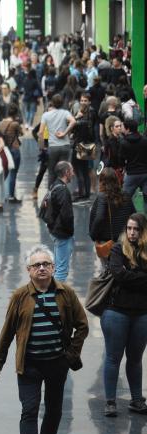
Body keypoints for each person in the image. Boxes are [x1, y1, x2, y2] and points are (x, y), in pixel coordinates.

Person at [0, 244, 88, 434]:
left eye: (46, 264)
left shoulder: (66, 294)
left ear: (53, 268)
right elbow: (7, 331)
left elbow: (82, 325)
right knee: (30, 408)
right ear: (28, 270)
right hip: (30, 363)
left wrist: (71, 356)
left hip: (57, 362)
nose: (42, 268)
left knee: (54, 408)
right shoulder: (20, 296)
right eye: (37, 265)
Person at [101, 214, 147, 416]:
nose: (131, 232)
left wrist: (130, 276)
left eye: (136, 229)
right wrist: (142, 277)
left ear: (143, 231)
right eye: (129, 228)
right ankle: (110, 401)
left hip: (142, 314)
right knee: (113, 357)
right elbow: (118, 274)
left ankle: (136, 400)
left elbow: (124, 276)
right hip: (116, 312)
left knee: (135, 359)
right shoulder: (118, 249)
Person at [89, 168, 136, 267]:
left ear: (101, 181)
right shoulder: (126, 195)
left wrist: (93, 235)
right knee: (124, 268)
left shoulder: (103, 197)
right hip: (124, 240)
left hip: (107, 242)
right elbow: (133, 215)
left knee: (108, 271)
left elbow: (99, 217)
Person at [39, 95, 76, 187]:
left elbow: (40, 132)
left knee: (51, 171)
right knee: (64, 171)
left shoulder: (46, 115)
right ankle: (62, 191)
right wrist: (64, 133)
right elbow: (73, 121)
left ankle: (51, 193)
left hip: (53, 146)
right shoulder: (65, 113)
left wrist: (42, 146)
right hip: (65, 146)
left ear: (52, 103)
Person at [119, 118, 147, 212]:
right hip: (145, 173)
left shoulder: (123, 142)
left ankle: (130, 217)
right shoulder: (144, 140)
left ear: (128, 129)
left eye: (122, 126)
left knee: (125, 199)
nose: (121, 128)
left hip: (131, 174)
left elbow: (121, 159)